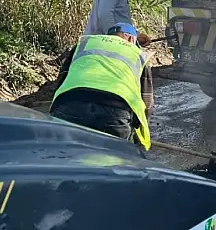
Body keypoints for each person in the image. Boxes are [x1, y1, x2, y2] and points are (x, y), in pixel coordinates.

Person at [50, 22, 155, 151]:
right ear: (131, 39)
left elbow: (61, 81)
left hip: (70, 104)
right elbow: (147, 103)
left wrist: (55, 112)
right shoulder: (137, 54)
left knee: (64, 157)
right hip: (114, 113)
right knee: (110, 163)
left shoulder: (85, 44)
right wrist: (139, 143)